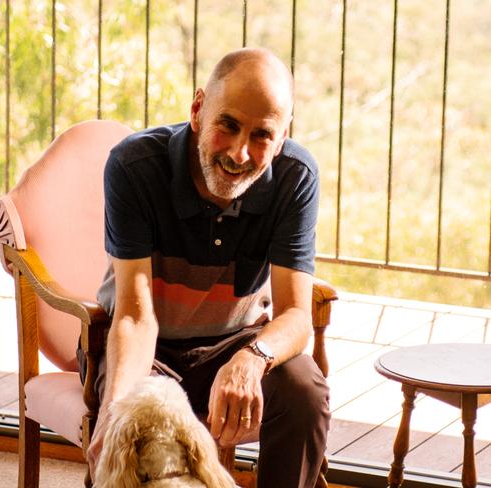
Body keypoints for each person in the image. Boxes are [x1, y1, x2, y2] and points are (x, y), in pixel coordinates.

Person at [79, 47, 331, 488]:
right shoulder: (134, 167)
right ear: (198, 109)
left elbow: (295, 315)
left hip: (234, 343)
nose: (239, 153)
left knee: (304, 388)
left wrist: (251, 360)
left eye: (261, 136)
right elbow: (136, 317)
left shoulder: (296, 177)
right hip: (146, 350)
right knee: (132, 419)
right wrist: (116, 412)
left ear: (283, 136)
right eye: (228, 125)